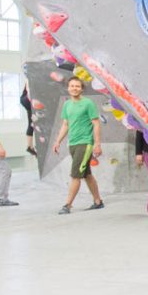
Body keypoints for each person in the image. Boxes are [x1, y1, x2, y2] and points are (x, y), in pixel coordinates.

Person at [52, 77, 104, 214]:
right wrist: (57, 141)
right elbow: (65, 124)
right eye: (72, 86)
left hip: (85, 143)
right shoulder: (67, 104)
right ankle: (98, 201)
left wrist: (97, 144)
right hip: (73, 143)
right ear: (68, 88)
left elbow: (96, 123)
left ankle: (67, 205)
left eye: (77, 86)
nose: (74, 88)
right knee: (86, 174)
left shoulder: (88, 103)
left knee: (75, 175)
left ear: (81, 89)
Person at [20, 82, 36, 156]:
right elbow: (28, 86)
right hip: (27, 99)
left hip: (28, 102)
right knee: (32, 124)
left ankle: (30, 146)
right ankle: (30, 147)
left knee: (31, 124)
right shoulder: (31, 76)